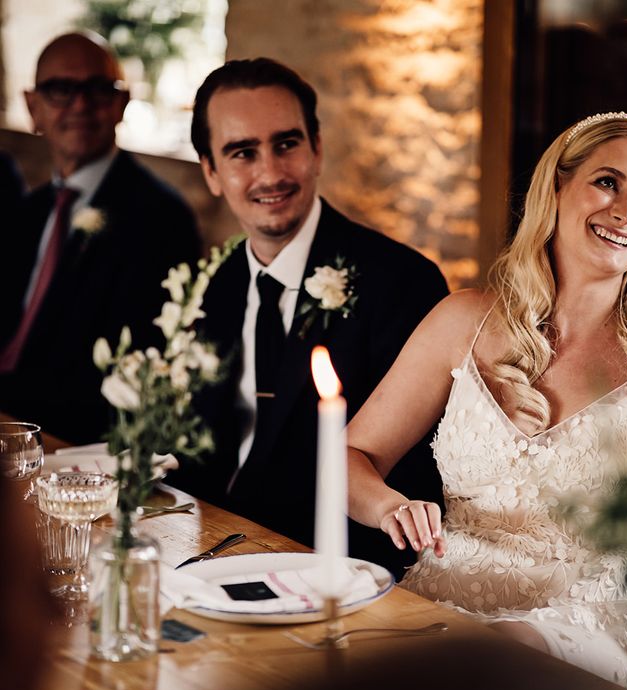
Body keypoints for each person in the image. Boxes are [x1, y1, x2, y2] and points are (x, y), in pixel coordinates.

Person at [345, 112, 627, 688]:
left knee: (488, 661)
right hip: (440, 602)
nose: (626, 212)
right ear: (557, 187)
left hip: (591, 625)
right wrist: (386, 506)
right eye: (607, 182)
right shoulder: (464, 320)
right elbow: (353, 456)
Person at [166, 58, 448, 572]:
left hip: (329, 566)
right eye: (243, 153)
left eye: (286, 144)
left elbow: (415, 479)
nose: (270, 173)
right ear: (210, 171)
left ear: (316, 148)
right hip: (202, 545)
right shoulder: (211, 283)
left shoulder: (403, 284)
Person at [0, 32, 200, 444]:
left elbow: (132, 371)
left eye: (97, 89)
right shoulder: (26, 211)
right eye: (60, 90)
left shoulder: (161, 218)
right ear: (32, 107)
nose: (80, 105)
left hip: (71, 444)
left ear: (121, 104)